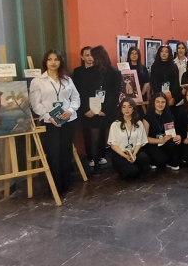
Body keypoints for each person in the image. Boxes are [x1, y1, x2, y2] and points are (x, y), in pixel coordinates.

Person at [29, 49, 81, 195]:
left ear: (61, 62)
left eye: (56, 59)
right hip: (49, 122)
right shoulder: (37, 81)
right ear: (45, 62)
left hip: (68, 120)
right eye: (50, 59)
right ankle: (55, 186)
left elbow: (76, 98)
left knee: (66, 152)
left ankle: (66, 183)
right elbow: (36, 104)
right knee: (53, 153)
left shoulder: (67, 79)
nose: (53, 62)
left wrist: (70, 110)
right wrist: (48, 116)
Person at [72, 45, 122, 172]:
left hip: (106, 111)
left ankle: (110, 161)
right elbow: (81, 93)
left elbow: (115, 93)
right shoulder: (88, 72)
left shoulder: (114, 73)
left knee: (106, 136)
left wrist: (104, 109)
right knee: (93, 137)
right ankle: (94, 165)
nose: (91, 58)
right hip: (90, 110)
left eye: (93, 56)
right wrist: (85, 109)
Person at [108, 98, 150, 180]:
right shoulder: (115, 125)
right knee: (132, 172)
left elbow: (139, 142)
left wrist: (134, 154)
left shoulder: (139, 123)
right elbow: (113, 145)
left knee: (144, 158)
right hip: (121, 153)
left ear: (133, 109)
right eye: (124, 107)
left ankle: (134, 166)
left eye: (129, 107)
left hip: (133, 152)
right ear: (121, 109)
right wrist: (125, 156)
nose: (126, 109)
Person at [144, 92, 181, 170]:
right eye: (158, 102)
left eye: (163, 102)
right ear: (153, 103)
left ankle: (172, 163)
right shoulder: (147, 117)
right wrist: (161, 140)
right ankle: (154, 161)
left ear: (166, 103)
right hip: (153, 144)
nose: (160, 104)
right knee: (161, 162)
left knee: (175, 143)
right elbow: (145, 138)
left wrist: (178, 137)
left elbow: (173, 133)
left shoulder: (170, 116)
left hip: (166, 142)